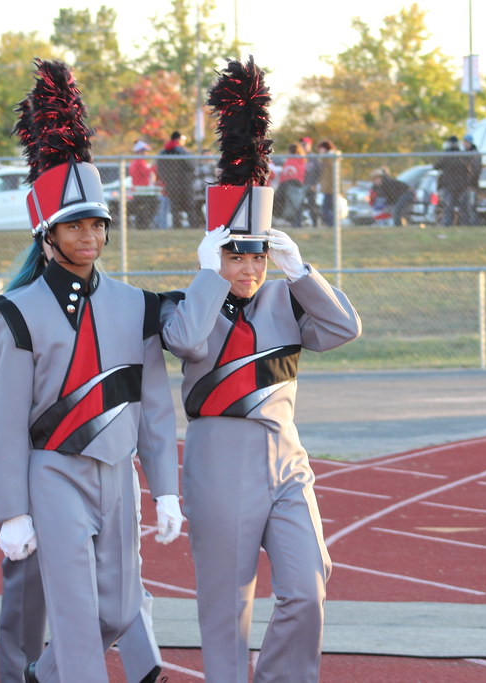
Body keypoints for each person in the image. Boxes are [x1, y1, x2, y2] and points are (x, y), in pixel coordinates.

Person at [0, 59, 182, 683]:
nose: (90, 234)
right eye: (75, 224)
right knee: (73, 615)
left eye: (97, 223)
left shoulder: (136, 304)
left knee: (119, 609)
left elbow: (154, 406)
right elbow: (7, 423)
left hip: (118, 476)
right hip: (53, 473)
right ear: (47, 233)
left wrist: (166, 487)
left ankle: (44, 676)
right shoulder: (16, 312)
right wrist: (12, 510)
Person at [160, 223, 361, 682]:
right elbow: (185, 341)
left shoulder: (287, 299)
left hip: (287, 459)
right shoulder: (183, 303)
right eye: (235, 258)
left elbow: (343, 328)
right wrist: (208, 277)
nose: (249, 269)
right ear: (213, 257)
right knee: (227, 603)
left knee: (308, 587)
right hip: (219, 460)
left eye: (259, 258)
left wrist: (300, 272)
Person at [156, 130, 200, 228]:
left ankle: (177, 225)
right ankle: (194, 225)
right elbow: (192, 165)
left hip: (171, 184)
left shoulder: (163, 152)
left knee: (175, 207)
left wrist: (166, 181)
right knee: (190, 206)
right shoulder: (182, 151)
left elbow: (160, 169)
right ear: (179, 139)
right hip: (185, 183)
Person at [434, 135, 469, 226]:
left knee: (449, 206)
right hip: (460, 184)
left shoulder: (448, 155)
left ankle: (449, 224)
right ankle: (463, 224)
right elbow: (436, 166)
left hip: (450, 184)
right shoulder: (461, 155)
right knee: (461, 206)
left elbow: (436, 166)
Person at [128, 140, 159, 229]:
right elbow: (146, 172)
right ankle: (144, 224)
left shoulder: (135, 161)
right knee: (152, 205)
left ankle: (141, 224)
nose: (147, 154)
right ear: (140, 152)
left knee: (142, 208)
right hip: (142, 190)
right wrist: (154, 166)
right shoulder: (140, 161)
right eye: (145, 151)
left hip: (139, 189)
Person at [278, 142, 307, 227]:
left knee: (294, 204)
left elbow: (287, 172)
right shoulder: (300, 159)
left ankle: (296, 222)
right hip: (295, 184)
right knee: (295, 204)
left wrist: (282, 182)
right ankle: (296, 222)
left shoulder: (293, 160)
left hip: (292, 183)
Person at [316, 140, 340, 226]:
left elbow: (331, 173)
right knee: (328, 208)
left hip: (330, 188)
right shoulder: (328, 157)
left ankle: (332, 224)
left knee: (326, 208)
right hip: (329, 188)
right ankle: (332, 225)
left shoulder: (329, 158)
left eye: (320, 149)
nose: (319, 151)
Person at [461, 133, 482, 225]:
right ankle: (464, 223)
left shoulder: (475, 154)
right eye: (464, 141)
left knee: (472, 205)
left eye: (466, 142)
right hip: (463, 184)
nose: (464, 144)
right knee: (464, 204)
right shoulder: (463, 154)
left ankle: (474, 223)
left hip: (472, 184)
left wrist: (470, 182)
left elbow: (476, 170)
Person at [300, 136, 321, 226]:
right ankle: (297, 224)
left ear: (310, 145)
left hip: (311, 185)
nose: (303, 146)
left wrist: (315, 184)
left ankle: (315, 223)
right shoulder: (299, 156)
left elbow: (319, 172)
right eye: (301, 145)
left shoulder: (314, 158)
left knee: (312, 205)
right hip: (301, 185)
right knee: (299, 205)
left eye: (305, 144)